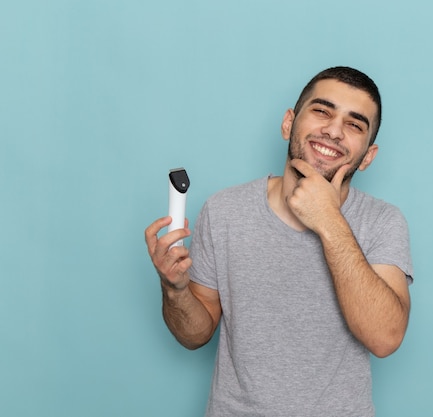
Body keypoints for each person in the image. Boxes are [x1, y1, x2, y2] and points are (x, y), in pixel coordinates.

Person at [145, 66, 413, 417]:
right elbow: (194, 336)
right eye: (322, 111)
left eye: (354, 124)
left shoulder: (382, 222)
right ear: (289, 123)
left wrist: (329, 221)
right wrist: (175, 289)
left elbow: (385, 338)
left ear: (368, 156)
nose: (333, 130)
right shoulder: (225, 210)